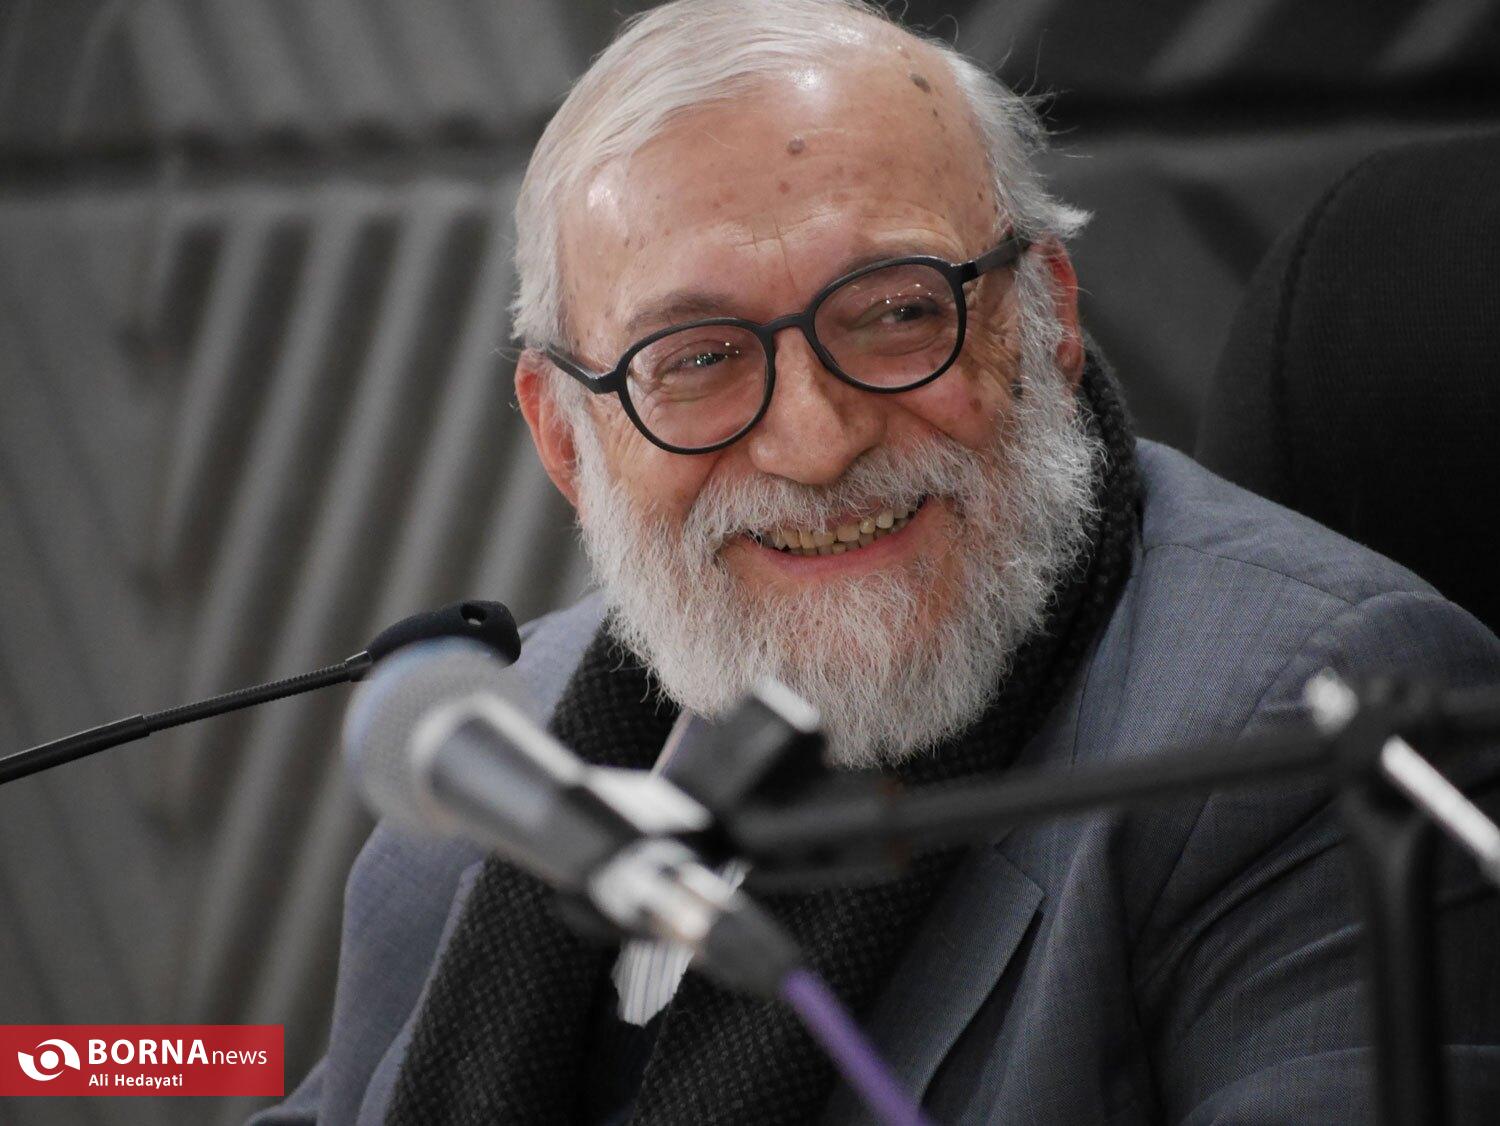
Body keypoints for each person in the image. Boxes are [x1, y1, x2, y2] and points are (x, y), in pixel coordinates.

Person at [253, 1, 1500, 1122]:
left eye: (899, 313)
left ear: (1048, 315)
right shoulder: (501, 756)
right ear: (565, 439)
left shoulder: (1292, 728)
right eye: (699, 359)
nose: (817, 440)